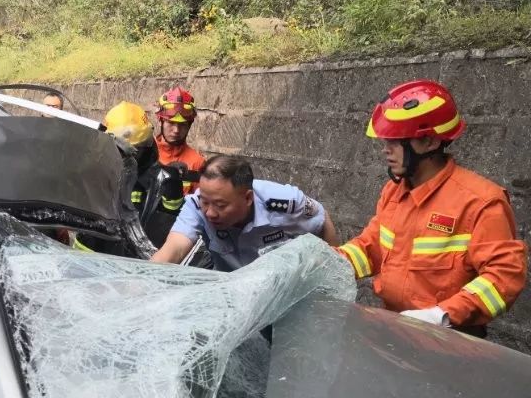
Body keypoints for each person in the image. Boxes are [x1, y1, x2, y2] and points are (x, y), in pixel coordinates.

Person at [337, 80, 527, 337]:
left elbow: (504, 277)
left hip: (450, 342)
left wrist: (442, 315)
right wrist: (327, 262)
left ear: (429, 142)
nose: (386, 150)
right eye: (385, 141)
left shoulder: (480, 202)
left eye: (396, 141)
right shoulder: (394, 191)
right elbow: (370, 247)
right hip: (395, 330)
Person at [152, 155, 339, 270]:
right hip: (235, 293)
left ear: (248, 198)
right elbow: (174, 249)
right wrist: (139, 285)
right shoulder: (196, 205)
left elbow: (322, 221)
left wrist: (332, 274)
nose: (210, 213)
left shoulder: (285, 203)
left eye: (220, 205)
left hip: (284, 292)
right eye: (205, 202)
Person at [74, 101, 184, 251]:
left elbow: (169, 225)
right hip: (90, 255)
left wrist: (173, 188)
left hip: (137, 263)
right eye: (121, 150)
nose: (128, 156)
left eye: (136, 150)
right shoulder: (96, 174)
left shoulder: (160, 180)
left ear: (147, 145)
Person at [155, 87, 206, 194]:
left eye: (182, 125)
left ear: (189, 125)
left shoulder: (197, 162)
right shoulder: (145, 153)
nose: (176, 130)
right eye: (171, 123)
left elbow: (201, 205)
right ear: (160, 120)